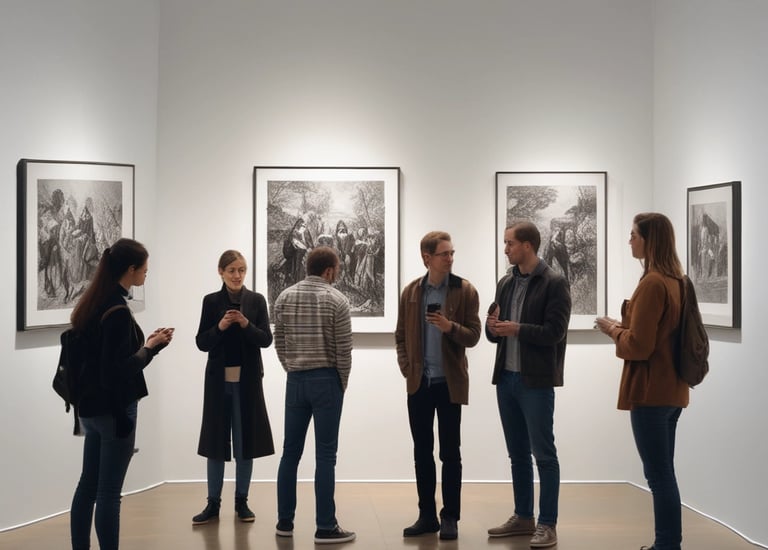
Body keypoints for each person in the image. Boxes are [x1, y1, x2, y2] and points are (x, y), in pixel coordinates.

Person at [69, 238, 174, 550]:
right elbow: (115, 371)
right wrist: (150, 348)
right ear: (131, 269)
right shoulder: (116, 311)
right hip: (115, 410)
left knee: (87, 485)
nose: (145, 275)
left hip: (89, 408)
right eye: (144, 269)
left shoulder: (92, 303)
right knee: (108, 492)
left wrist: (145, 348)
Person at [596, 213, 689, 550]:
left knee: (658, 475)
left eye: (634, 234)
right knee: (664, 471)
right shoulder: (676, 279)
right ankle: (667, 543)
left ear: (650, 239)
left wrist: (613, 330)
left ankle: (667, 545)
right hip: (673, 390)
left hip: (651, 391)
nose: (630, 240)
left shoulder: (652, 283)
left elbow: (639, 345)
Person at [485, 221, 571, 549]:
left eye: (509, 243)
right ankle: (523, 516)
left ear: (528, 246)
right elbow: (495, 332)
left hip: (535, 381)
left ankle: (547, 523)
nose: (505, 249)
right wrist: (492, 327)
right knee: (517, 454)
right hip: (506, 379)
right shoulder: (506, 282)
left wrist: (516, 329)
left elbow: (555, 332)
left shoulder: (554, 282)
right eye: (505, 243)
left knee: (544, 455)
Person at [395, 231, 481, 541]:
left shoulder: (464, 290)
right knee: (422, 452)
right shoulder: (411, 292)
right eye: (444, 253)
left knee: (450, 453)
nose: (450, 258)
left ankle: (450, 517)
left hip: (449, 385)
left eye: (452, 253)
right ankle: (427, 515)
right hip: (419, 384)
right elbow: (401, 335)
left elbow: (474, 335)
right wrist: (408, 369)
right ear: (426, 258)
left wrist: (450, 327)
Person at [273, 246, 355, 545]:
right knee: (325, 456)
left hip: (295, 380)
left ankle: (284, 522)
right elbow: (343, 349)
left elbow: (279, 343)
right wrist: (341, 382)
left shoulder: (284, 297)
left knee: (290, 454)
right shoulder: (337, 300)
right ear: (329, 270)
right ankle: (325, 526)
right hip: (326, 380)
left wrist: (292, 368)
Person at [192, 250, 275, 525]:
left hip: (248, 382)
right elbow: (202, 342)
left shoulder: (256, 300)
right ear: (221, 272)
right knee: (216, 442)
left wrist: (245, 323)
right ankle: (212, 504)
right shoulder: (211, 301)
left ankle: (242, 502)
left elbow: (265, 339)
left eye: (241, 270)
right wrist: (221, 325)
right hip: (217, 383)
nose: (237, 275)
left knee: (244, 442)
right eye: (231, 271)